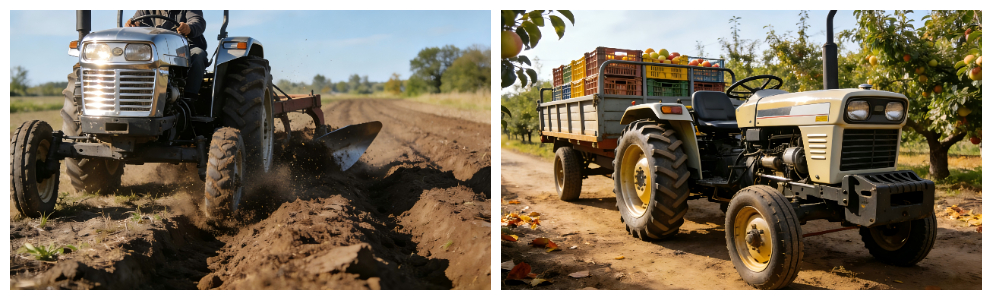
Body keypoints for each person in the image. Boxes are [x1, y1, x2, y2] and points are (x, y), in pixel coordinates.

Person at [126, 10, 207, 99]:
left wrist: (189, 28)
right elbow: (134, 22)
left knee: (198, 55)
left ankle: (190, 98)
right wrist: (131, 25)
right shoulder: (145, 9)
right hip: (154, 49)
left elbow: (197, 21)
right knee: (129, 56)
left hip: (184, 47)